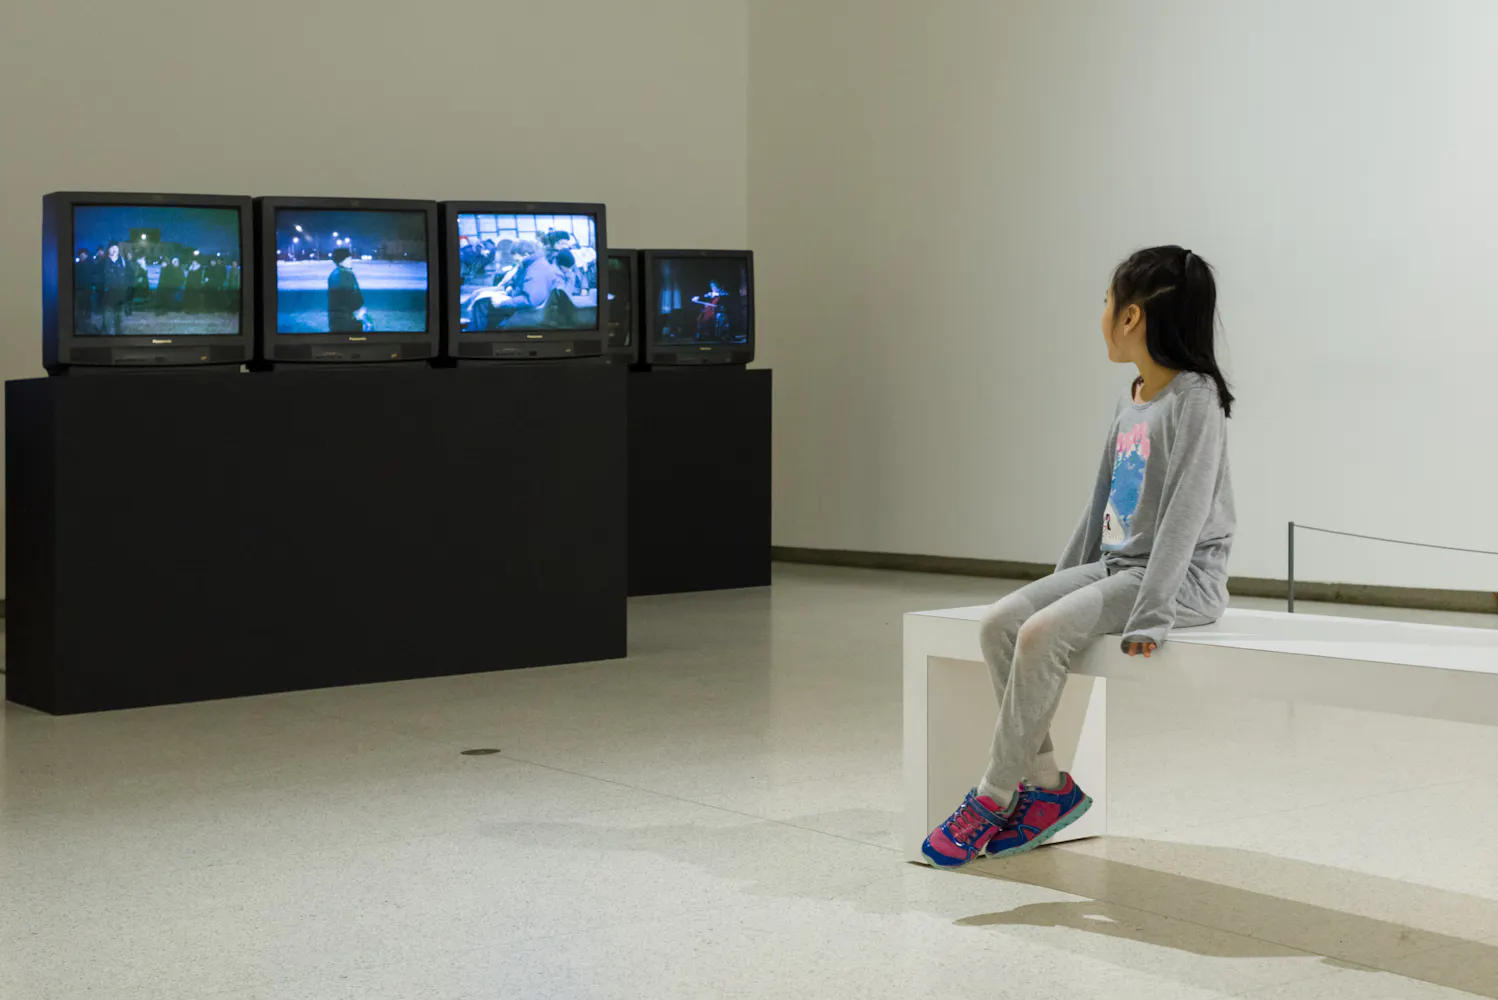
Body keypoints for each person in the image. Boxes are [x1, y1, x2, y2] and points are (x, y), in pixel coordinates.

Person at [922, 245, 1236, 868]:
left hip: (1179, 581)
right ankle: (1047, 788)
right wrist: (1061, 580)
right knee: (1000, 622)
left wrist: (1152, 615)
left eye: (1107, 301)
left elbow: (1186, 513)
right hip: (1121, 567)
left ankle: (992, 796)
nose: (1102, 313)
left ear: (1132, 317)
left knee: (1040, 634)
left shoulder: (1195, 397)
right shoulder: (1136, 393)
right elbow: (1102, 502)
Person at [327, 247, 367, 332]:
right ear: (341, 261)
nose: (351, 261)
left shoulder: (336, 273)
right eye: (348, 259)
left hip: (337, 318)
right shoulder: (345, 274)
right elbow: (350, 296)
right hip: (347, 319)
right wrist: (358, 309)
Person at [98, 243, 133, 335]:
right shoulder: (103, 262)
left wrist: (127, 289)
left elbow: (130, 275)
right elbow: (97, 276)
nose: (114, 250)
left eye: (116, 248)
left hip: (120, 294)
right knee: (108, 315)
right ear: (108, 250)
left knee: (119, 316)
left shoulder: (123, 261)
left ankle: (119, 334)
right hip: (107, 294)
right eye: (112, 248)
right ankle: (108, 335)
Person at [73, 249, 95, 332]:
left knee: (86, 306)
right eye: (80, 255)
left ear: (86, 255)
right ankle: (82, 323)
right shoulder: (78, 265)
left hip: (86, 288)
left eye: (82, 255)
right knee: (81, 307)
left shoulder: (89, 264)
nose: (81, 257)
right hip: (80, 289)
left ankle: (85, 323)